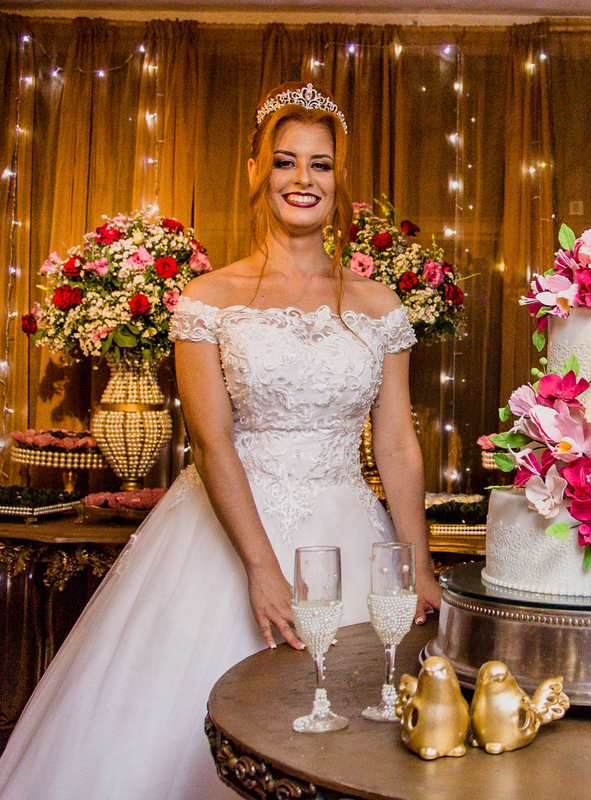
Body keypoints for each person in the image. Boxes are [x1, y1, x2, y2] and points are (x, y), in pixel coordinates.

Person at [0, 82, 441, 800]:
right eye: (286, 160)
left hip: (351, 534)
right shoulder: (208, 299)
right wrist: (261, 569)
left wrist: (417, 564)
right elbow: (211, 444)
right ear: (255, 172)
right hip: (231, 532)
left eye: (321, 164)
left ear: (339, 179)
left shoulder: (379, 305)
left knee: (352, 740)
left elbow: (396, 444)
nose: (303, 179)